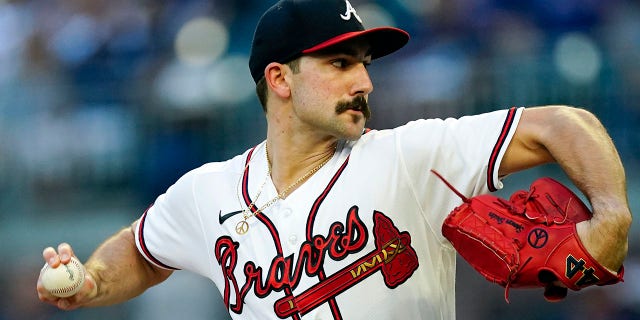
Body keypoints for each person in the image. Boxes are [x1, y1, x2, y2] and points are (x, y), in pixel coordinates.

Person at [37, 0, 631, 319]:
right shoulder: (206, 192)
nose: (366, 81)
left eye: (366, 63)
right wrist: (91, 282)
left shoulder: (411, 155)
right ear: (280, 78)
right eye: (341, 64)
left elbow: (562, 124)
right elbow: (141, 251)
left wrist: (612, 217)